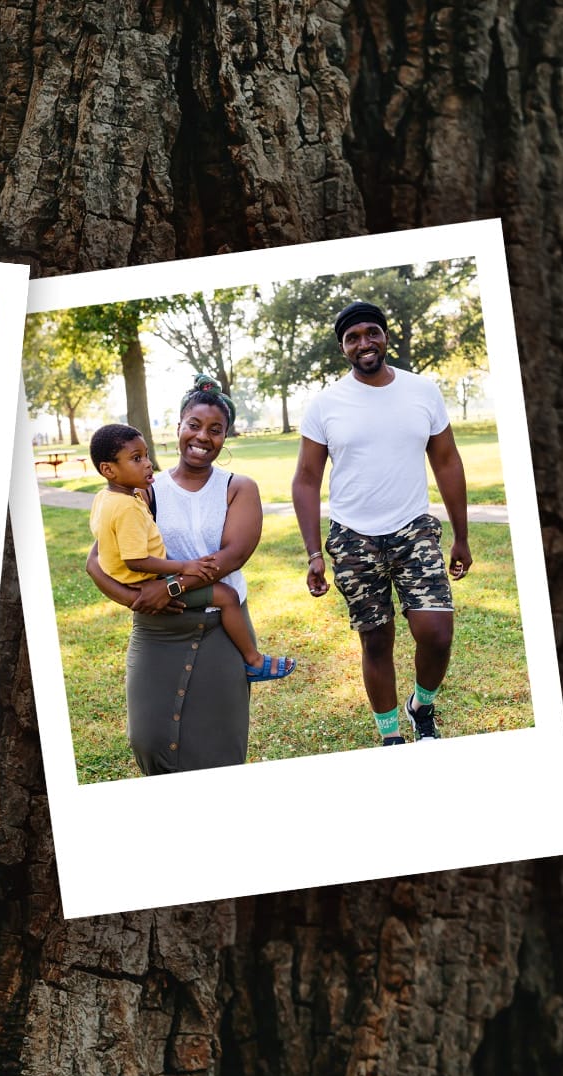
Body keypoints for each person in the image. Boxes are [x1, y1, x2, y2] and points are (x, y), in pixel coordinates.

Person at [292, 299, 471, 745]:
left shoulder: (422, 391)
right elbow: (306, 479)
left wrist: (462, 537)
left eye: (371, 332)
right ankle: (391, 737)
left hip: (413, 527)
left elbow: (447, 462)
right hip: (353, 537)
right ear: (343, 348)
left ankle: (421, 706)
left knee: (436, 632)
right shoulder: (326, 404)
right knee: (376, 641)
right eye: (353, 338)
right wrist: (314, 553)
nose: (364, 343)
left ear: (385, 336)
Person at [85, 389, 261, 773]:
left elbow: (232, 556)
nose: (202, 437)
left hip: (222, 627)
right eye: (194, 425)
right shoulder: (143, 492)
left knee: (221, 743)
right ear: (179, 426)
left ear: (225, 437)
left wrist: (169, 587)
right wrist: (135, 599)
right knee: (146, 738)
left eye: (216, 430)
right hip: (159, 630)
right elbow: (95, 561)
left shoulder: (238, 487)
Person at [86, 422, 294, 681]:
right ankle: (253, 660)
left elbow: (103, 548)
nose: (148, 463)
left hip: (137, 582)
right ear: (108, 469)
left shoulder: (107, 498)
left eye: (147, 455)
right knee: (227, 596)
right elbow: (136, 560)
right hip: (145, 583)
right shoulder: (128, 506)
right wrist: (183, 567)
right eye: (136, 459)